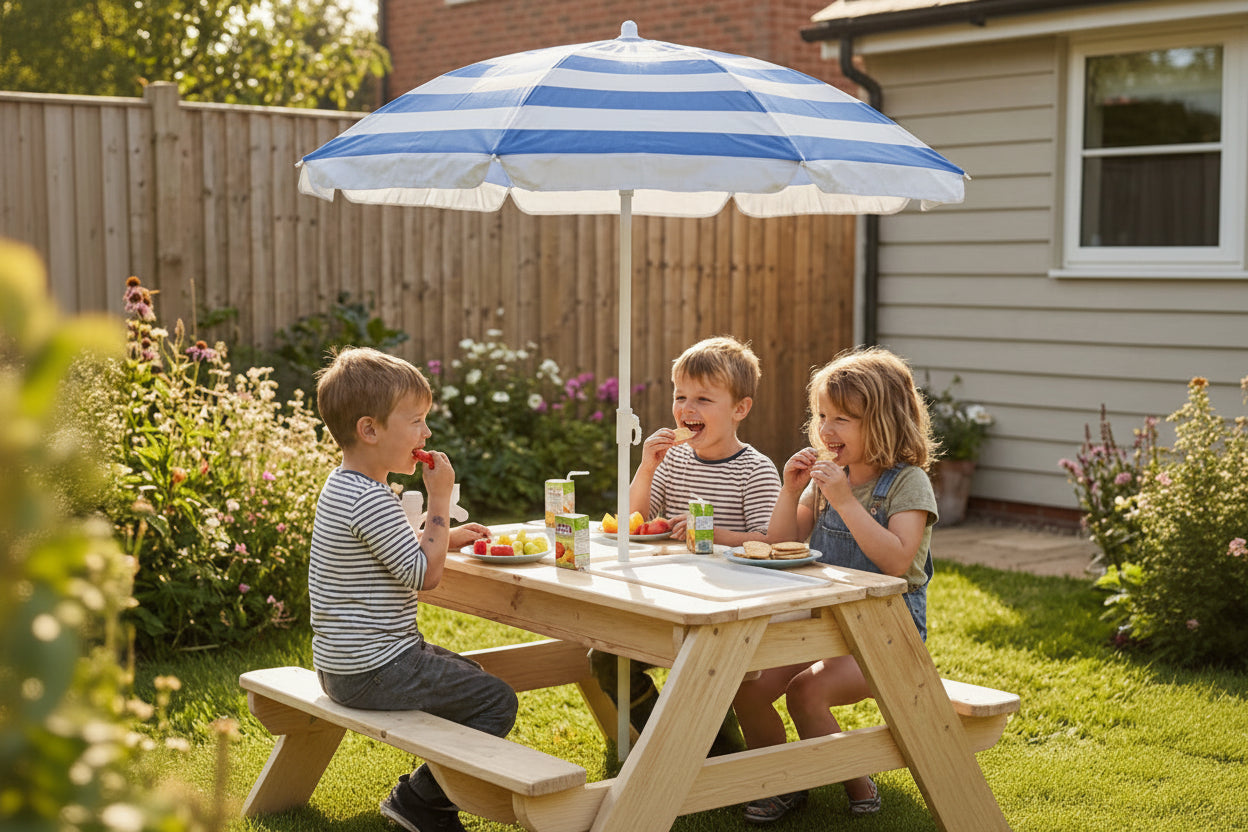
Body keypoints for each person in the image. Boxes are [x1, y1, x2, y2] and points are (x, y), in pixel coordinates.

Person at [309, 346, 513, 832]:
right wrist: (441, 499)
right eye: (417, 421)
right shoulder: (372, 500)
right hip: (374, 667)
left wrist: (445, 535)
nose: (426, 434)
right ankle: (422, 800)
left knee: (472, 676)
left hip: (343, 662)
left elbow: (397, 549)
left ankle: (425, 794)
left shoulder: (345, 486)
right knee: (495, 700)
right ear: (370, 429)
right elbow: (425, 576)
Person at [732, 346, 937, 825]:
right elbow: (782, 542)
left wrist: (845, 502)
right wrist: (789, 490)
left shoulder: (908, 484)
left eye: (843, 418)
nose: (826, 429)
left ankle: (857, 781)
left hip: (887, 635)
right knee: (749, 689)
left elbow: (895, 561)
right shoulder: (828, 479)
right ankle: (783, 781)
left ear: (885, 422)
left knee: (807, 693)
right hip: (823, 621)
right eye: (822, 415)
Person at [591, 335, 782, 755]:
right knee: (605, 657)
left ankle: (713, 755)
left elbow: (770, 543)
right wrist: (646, 467)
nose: (686, 409)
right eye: (680, 396)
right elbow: (631, 522)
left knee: (700, 670)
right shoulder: (674, 460)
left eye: (703, 399)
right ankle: (681, 748)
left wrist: (711, 534)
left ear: (740, 409)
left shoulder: (755, 470)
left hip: (730, 608)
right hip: (670, 597)